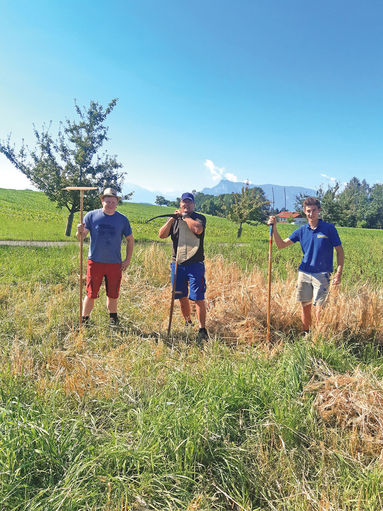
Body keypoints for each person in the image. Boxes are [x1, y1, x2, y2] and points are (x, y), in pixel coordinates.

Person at [268, 197, 344, 332]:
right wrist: (274, 229)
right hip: (304, 273)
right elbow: (281, 245)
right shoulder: (301, 231)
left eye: (314, 210)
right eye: (308, 211)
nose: (311, 214)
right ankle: (306, 336)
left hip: (322, 274)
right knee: (305, 307)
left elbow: (339, 251)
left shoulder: (329, 229)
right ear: (304, 211)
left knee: (320, 309)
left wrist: (338, 273)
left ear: (319, 210)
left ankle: (319, 338)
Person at [76, 187, 134, 325]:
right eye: (108, 201)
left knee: (113, 294)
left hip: (114, 264)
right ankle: (84, 320)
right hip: (95, 262)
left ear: (117, 202)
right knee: (91, 293)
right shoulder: (91, 216)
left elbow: (130, 240)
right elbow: (81, 237)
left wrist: (127, 260)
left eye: (113, 202)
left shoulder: (122, 220)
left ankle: (113, 319)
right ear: (102, 200)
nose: (110, 204)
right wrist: (79, 231)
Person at [158, 192, 208, 340]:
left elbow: (198, 229)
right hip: (177, 264)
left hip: (195, 264)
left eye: (189, 202)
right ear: (180, 204)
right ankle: (188, 323)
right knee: (181, 296)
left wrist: (185, 217)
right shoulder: (174, 220)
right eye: (184, 203)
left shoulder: (199, 218)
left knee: (198, 297)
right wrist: (170, 220)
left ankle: (202, 329)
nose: (186, 205)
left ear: (193, 205)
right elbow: (161, 235)